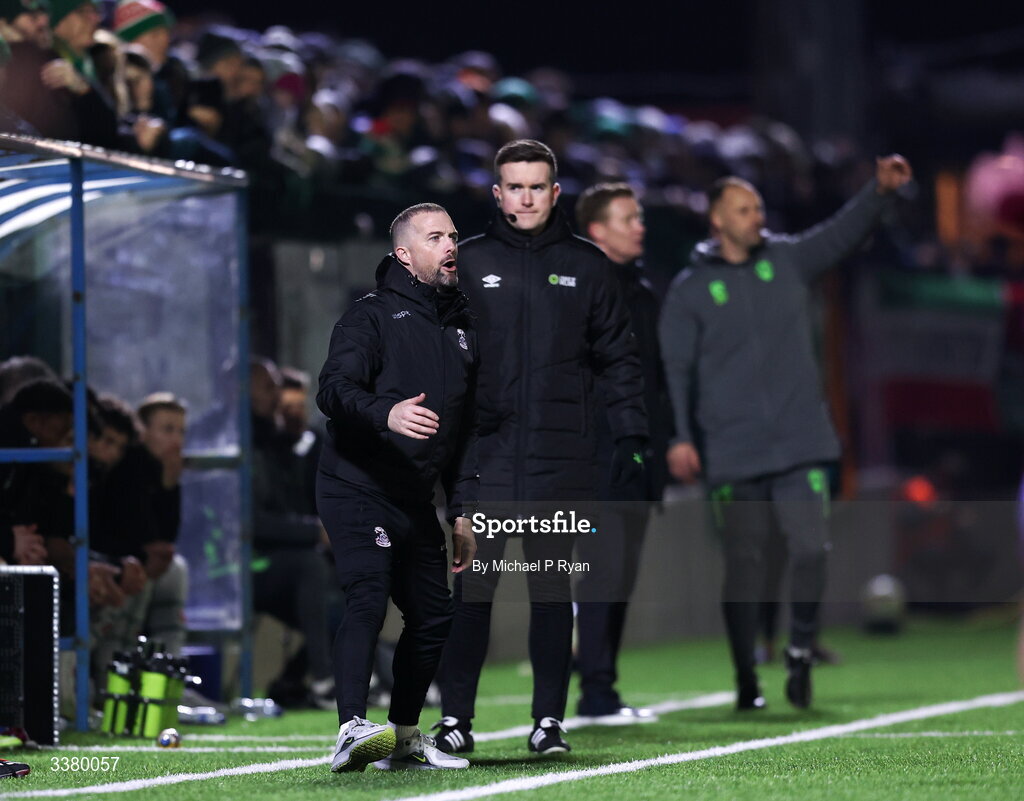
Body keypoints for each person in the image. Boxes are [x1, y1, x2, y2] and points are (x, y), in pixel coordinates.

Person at [658, 155, 913, 710]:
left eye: (759, 208)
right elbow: (676, 370)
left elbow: (843, 232)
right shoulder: (690, 291)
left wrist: (879, 191)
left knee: (810, 548)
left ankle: (798, 649)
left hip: (800, 443)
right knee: (745, 566)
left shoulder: (790, 259)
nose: (757, 217)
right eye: (744, 210)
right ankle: (745, 672)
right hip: (733, 450)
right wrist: (679, 436)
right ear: (718, 221)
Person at [435, 140, 647, 755]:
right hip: (484, 461)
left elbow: (619, 357)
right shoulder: (466, 263)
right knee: (472, 591)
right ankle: (455, 721)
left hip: (562, 459)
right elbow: (436, 354)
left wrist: (632, 435)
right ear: (496, 193)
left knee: (552, 592)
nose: (525, 197)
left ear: (556, 194)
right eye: (514, 186)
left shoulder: (587, 265)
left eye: (537, 187)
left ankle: (548, 722)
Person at [316, 202, 478, 772]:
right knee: (369, 593)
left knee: (434, 614)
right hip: (357, 483)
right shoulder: (369, 317)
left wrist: (461, 511)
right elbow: (332, 390)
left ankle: (404, 737)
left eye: (453, 235)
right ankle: (350, 728)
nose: (450, 245)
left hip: (414, 495)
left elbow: (462, 431)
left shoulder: (461, 328)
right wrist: (385, 413)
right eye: (436, 237)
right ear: (405, 255)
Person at [572, 182, 672, 724]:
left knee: (622, 573)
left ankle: (602, 686)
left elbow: (652, 382)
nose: (640, 226)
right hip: (598, 456)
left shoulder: (643, 291)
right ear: (597, 229)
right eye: (628, 218)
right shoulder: (583, 290)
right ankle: (594, 690)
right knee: (603, 571)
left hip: (638, 456)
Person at [249, 357, 334, 710]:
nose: (279, 401)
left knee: (352, 593)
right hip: (249, 563)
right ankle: (325, 680)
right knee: (312, 568)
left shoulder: (280, 442)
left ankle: (297, 680)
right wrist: (313, 531)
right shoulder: (246, 444)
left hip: (279, 554)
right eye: (271, 390)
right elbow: (252, 521)